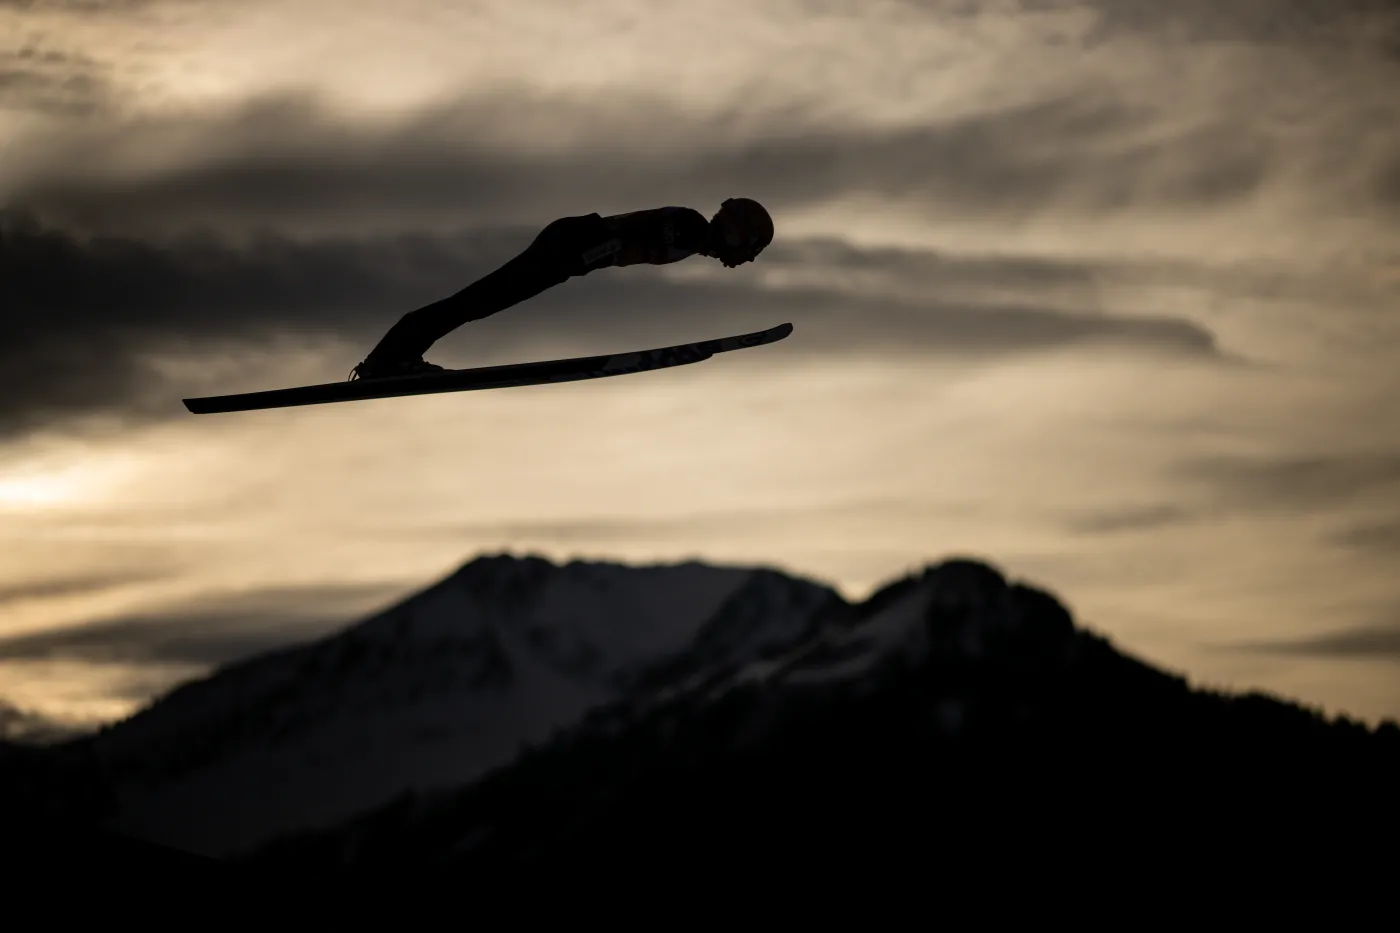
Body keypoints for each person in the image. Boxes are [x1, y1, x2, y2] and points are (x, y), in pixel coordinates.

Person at [349, 197, 775, 380]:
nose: (744, 260)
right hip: (569, 245)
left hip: (570, 250)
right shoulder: (688, 228)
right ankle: (390, 358)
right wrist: (577, 259)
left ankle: (393, 357)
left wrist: (580, 262)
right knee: (476, 301)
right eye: (750, 249)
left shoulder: (691, 236)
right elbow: (622, 231)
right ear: (738, 234)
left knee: (477, 302)